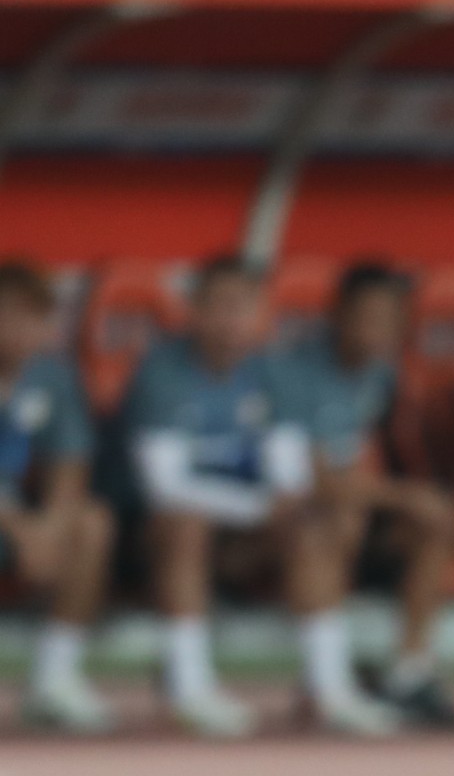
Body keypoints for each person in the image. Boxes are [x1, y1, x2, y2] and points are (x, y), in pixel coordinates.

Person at [129, 254, 393, 738]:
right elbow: (163, 486)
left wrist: (284, 505)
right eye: (221, 305)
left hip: (245, 533)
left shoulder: (273, 371)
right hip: (157, 537)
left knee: (313, 523)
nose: (232, 320)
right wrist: (257, 507)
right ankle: (189, 690)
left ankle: (329, 688)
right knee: (184, 523)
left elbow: (288, 466)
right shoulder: (162, 370)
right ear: (194, 310)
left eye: (244, 306)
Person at [269, 263, 454, 725]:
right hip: (273, 519)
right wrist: (400, 495)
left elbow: (359, 457)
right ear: (337, 315)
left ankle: (410, 672)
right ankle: (328, 685)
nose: (381, 330)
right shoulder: (291, 371)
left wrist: (399, 495)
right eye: (370, 316)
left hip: (349, 510)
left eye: (393, 318)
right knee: (338, 517)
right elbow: (307, 479)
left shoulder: (380, 374)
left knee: (437, 518)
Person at [0, 260, 116, 731]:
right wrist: (20, 528)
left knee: (91, 522)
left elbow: (70, 462)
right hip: (8, 522)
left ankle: (55, 677)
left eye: (33, 316)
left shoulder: (52, 376)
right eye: (9, 312)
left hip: (23, 522)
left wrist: (48, 527)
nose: (19, 326)